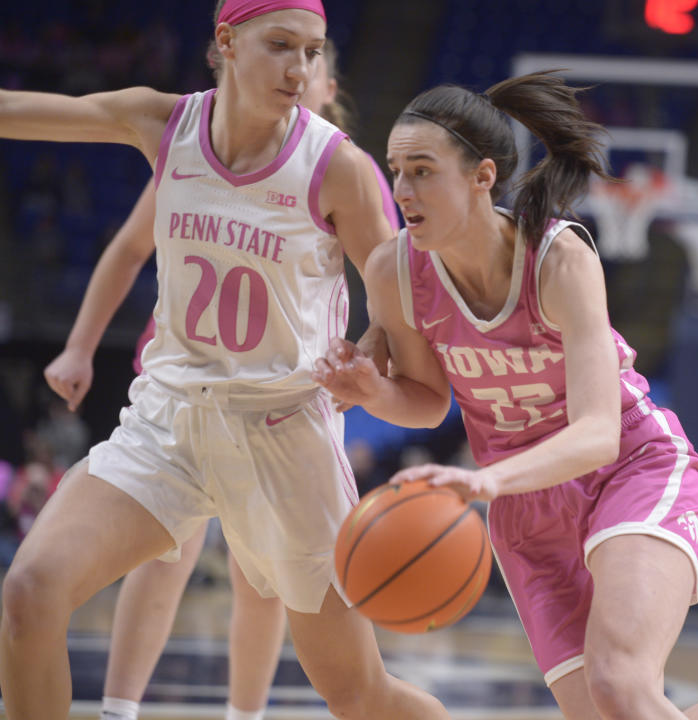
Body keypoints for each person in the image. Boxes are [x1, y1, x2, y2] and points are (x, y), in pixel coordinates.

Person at [314, 72, 698, 720]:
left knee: (621, 683)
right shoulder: (393, 269)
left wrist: (482, 482)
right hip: (527, 512)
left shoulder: (558, 258)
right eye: (396, 171)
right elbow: (426, 399)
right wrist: (372, 391)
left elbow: (599, 433)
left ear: (482, 177)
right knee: (617, 711)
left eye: (422, 171)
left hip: (630, 469)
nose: (402, 191)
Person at [0, 2, 449, 719]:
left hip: (285, 435)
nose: (300, 70)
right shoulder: (163, 123)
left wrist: (364, 378)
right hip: (170, 420)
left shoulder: (340, 170)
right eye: (281, 47)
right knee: (29, 592)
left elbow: (415, 356)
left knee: (358, 694)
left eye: (312, 51)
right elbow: (20, 107)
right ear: (226, 42)